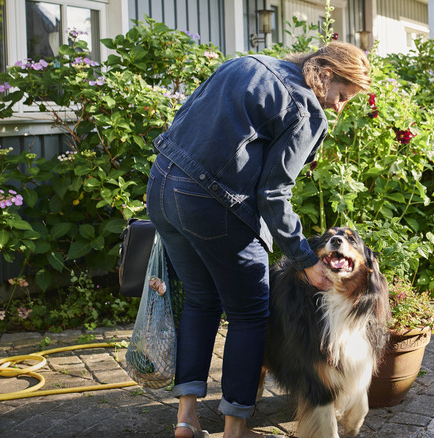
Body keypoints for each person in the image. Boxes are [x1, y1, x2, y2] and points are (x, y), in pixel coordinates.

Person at [145, 41, 371, 438]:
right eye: (342, 97)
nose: (339, 108)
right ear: (327, 75)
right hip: (214, 204)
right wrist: (304, 258)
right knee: (251, 313)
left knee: (201, 301)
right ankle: (234, 429)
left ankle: (186, 420)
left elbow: (182, 120)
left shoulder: (245, 64)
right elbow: (273, 194)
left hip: (161, 186)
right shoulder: (305, 109)